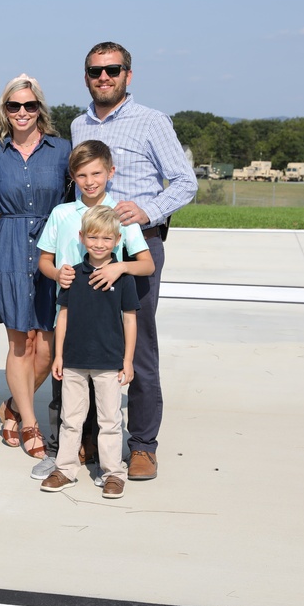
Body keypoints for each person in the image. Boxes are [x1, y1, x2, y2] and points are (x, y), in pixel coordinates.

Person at [70, 42, 198, 480]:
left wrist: (149, 210)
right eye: (95, 71)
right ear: (86, 76)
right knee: (87, 339)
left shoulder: (151, 121)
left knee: (137, 342)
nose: (103, 78)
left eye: (112, 70)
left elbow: (185, 182)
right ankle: (90, 434)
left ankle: (142, 444)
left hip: (137, 244)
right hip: (91, 247)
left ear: (128, 74)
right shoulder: (77, 124)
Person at [33, 140, 154, 481]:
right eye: (82, 175)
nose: (90, 181)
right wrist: (57, 272)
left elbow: (145, 265)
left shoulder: (121, 214)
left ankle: (107, 465)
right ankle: (62, 458)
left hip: (106, 324)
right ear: (73, 177)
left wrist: (120, 267)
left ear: (110, 173)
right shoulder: (62, 214)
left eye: (97, 173)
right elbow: (44, 259)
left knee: (106, 407)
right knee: (66, 401)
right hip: (70, 317)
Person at [0, 74, 71, 459]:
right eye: (14, 106)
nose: (22, 112)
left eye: (29, 105)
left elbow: (75, 199)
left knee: (47, 349)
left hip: (52, 250)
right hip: (10, 248)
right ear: (5, 110)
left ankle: (14, 408)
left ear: (40, 109)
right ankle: (31, 424)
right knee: (21, 343)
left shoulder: (62, 150)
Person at [40, 206, 138, 499]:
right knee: (71, 418)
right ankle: (65, 469)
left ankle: (112, 473)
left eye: (106, 239)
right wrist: (58, 356)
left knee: (109, 420)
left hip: (109, 362)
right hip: (73, 360)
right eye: (93, 237)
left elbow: (130, 319)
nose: (99, 244)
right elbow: (64, 315)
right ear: (82, 237)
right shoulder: (71, 275)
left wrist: (128, 360)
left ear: (117, 240)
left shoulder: (122, 278)